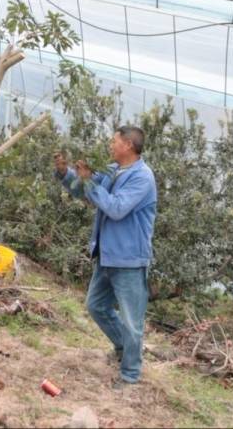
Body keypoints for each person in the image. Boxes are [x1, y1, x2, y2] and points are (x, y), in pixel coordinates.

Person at [53, 126, 157, 388]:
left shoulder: (142, 177)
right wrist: (67, 174)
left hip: (130, 259)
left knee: (133, 321)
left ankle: (130, 375)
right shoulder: (113, 169)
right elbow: (85, 191)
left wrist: (89, 181)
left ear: (129, 146)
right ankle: (124, 347)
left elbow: (117, 208)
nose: (111, 145)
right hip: (107, 255)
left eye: (115, 141)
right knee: (96, 306)